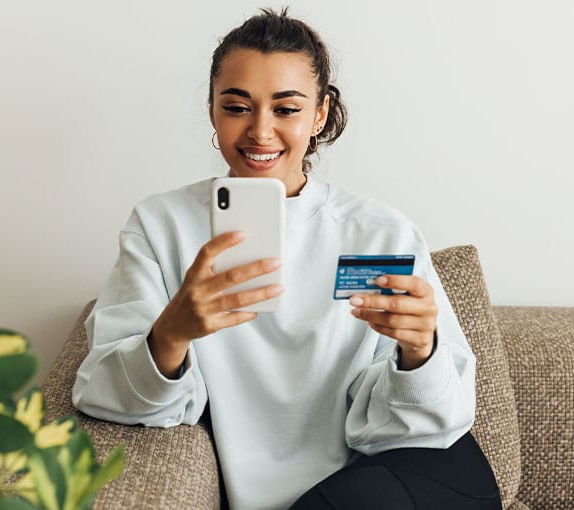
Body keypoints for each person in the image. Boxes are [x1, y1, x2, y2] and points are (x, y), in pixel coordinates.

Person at [73, 8, 501, 510]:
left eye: (285, 109)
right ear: (212, 110)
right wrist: (170, 334)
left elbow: (434, 423)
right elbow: (102, 393)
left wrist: (419, 353)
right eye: (237, 107)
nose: (260, 131)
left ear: (318, 115)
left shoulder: (381, 232)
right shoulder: (162, 225)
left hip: (399, 475)